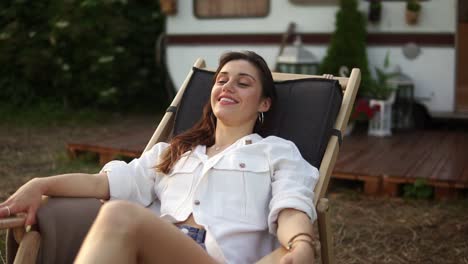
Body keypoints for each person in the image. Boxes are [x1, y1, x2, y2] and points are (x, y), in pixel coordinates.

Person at [0, 51, 318, 264]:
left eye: (243, 82)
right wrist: (39, 184)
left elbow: (291, 204)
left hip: (213, 257)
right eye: (221, 79)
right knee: (114, 214)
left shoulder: (276, 151)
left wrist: (301, 243)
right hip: (151, 252)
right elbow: (102, 184)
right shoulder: (173, 152)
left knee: (120, 215)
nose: (227, 86)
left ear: (263, 104)